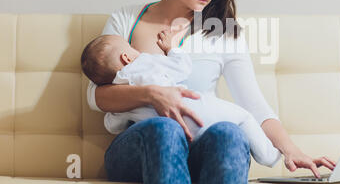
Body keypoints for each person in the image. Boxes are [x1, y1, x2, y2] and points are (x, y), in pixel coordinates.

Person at [86, 0, 336, 184]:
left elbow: (254, 107)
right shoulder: (127, 18)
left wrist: (291, 150)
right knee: (165, 129)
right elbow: (97, 95)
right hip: (141, 149)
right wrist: (152, 95)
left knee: (230, 132)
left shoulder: (223, 32)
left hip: (201, 148)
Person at [81, 33, 281, 167]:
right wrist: (171, 49)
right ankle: (271, 156)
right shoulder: (145, 62)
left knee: (224, 131)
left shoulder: (121, 97)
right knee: (241, 119)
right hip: (199, 114)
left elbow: (112, 125)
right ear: (126, 57)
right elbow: (182, 67)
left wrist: (112, 117)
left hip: (173, 139)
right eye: (131, 46)